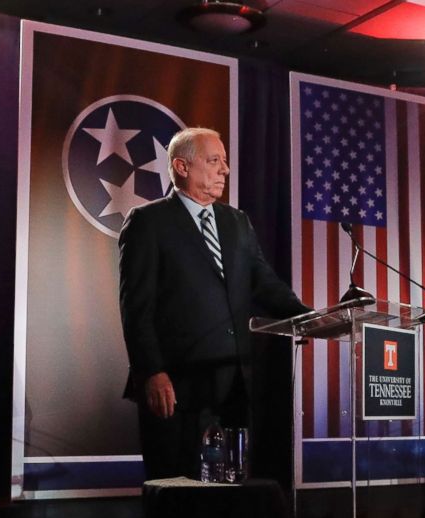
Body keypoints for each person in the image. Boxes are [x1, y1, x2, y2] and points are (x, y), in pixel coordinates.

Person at [119, 127, 311, 481]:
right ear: (182, 166)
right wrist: (152, 371)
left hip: (232, 381)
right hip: (177, 385)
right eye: (214, 161)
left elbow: (264, 282)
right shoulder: (149, 222)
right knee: (178, 489)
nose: (225, 170)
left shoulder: (236, 222)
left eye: (225, 161)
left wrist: (308, 317)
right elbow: (136, 309)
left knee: (229, 489)